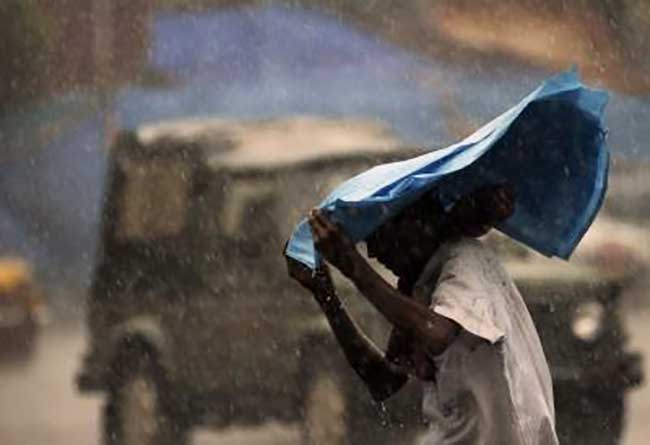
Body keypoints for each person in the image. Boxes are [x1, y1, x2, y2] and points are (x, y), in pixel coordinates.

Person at [285, 183, 559, 445]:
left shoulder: (466, 261)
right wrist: (326, 295)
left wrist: (354, 267)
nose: (373, 251)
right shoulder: (422, 284)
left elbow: (437, 332)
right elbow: (385, 381)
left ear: (416, 223)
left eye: (380, 233)